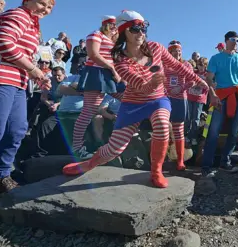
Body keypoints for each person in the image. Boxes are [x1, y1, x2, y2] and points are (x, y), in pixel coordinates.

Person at [62, 10, 208, 188]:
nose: (141, 33)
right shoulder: (119, 59)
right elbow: (141, 86)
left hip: (158, 100)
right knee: (115, 149)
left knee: (162, 125)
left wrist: (199, 80)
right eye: (135, 29)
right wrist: (153, 83)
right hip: (133, 103)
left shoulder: (156, 47)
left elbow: (176, 65)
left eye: (143, 28)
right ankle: (89, 163)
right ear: (124, 32)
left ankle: (156, 172)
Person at [0, 0, 54, 193]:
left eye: (50, 6)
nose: (46, 8)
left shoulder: (32, 25)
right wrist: (34, 69)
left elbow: (22, 54)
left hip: (16, 82)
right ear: (27, 1)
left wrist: (38, 75)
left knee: (15, 130)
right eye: (42, 3)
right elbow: (3, 43)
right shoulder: (18, 14)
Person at [72, 15, 123, 159]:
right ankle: (77, 148)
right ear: (105, 24)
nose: (114, 28)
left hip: (110, 75)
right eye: (112, 25)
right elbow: (93, 54)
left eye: (116, 25)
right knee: (89, 111)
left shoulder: (112, 41)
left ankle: (125, 135)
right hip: (96, 73)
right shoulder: (95, 34)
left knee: (129, 99)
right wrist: (112, 69)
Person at [202, 31, 238, 177]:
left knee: (234, 132)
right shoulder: (216, 58)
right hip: (221, 97)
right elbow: (209, 79)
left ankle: (225, 162)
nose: (235, 42)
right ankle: (206, 166)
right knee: (213, 131)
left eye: (237, 40)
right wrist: (213, 95)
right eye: (232, 39)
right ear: (225, 41)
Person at [164, 40, 195, 170]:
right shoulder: (163, 64)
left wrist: (181, 87)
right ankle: (163, 159)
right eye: (174, 50)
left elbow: (192, 81)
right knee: (163, 129)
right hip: (165, 99)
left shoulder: (186, 64)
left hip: (180, 100)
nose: (177, 53)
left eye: (179, 51)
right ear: (169, 52)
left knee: (178, 130)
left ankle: (180, 161)